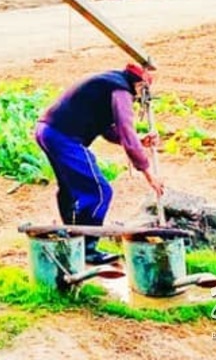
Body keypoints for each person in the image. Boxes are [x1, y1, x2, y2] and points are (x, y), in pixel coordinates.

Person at [33, 62, 165, 265]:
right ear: (139, 85)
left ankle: (73, 241)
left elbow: (109, 130)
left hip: (48, 130)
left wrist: (139, 140)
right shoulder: (121, 92)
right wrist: (149, 174)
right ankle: (87, 248)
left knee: (70, 190)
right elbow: (126, 132)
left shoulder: (109, 83)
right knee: (99, 192)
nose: (140, 98)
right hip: (63, 136)